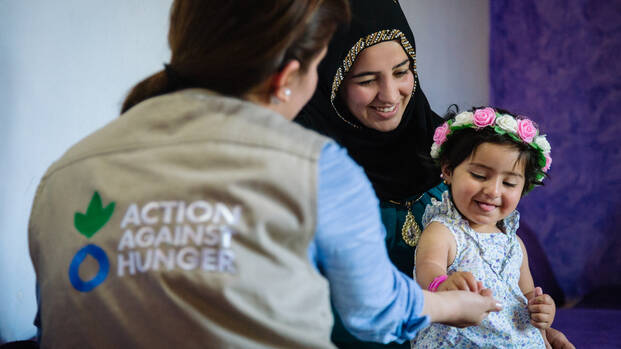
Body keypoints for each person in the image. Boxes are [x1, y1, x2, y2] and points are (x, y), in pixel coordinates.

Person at [28, 1, 501, 348]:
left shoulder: (67, 171)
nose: (387, 95)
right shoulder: (315, 167)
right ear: (288, 76)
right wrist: (453, 306)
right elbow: (376, 313)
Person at [294, 1, 448, 347]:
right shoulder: (302, 162)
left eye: (401, 71)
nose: (390, 96)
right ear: (329, 81)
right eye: (366, 80)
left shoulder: (451, 147)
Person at [412, 107, 555, 347]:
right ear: (448, 170)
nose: (493, 191)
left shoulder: (514, 243)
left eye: (509, 182)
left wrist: (542, 309)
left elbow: (527, 294)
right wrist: (442, 285)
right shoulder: (443, 231)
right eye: (479, 175)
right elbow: (427, 270)